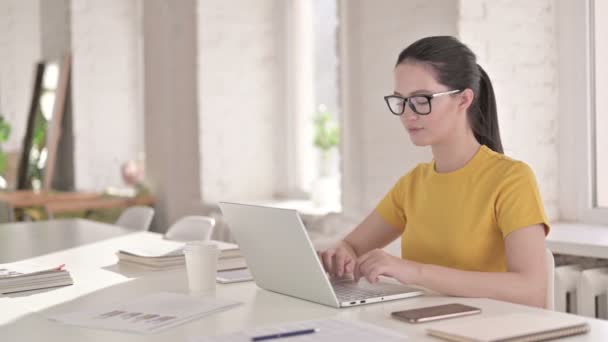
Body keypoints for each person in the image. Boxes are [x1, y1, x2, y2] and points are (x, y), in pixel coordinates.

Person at [319, 36, 550, 308]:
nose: (407, 114)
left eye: (421, 100)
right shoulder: (413, 183)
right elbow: (352, 246)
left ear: (463, 99)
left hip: (489, 329)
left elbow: (531, 290)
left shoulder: (512, 179)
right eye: (400, 101)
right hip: (422, 324)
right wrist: (341, 254)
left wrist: (414, 272)